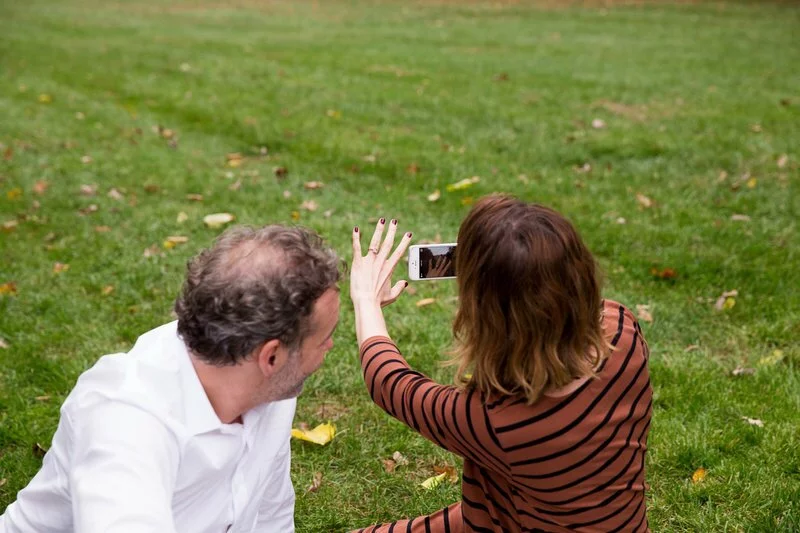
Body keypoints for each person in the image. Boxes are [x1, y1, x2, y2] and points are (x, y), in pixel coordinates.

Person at [0, 225, 341, 533]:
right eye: (324, 337)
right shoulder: (127, 416)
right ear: (271, 356)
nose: (330, 346)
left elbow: (271, 512)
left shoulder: (270, 389)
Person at [349, 197, 652, 532]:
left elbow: (391, 385)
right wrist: (493, 266)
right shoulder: (623, 331)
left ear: (488, 317)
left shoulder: (500, 423)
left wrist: (366, 300)